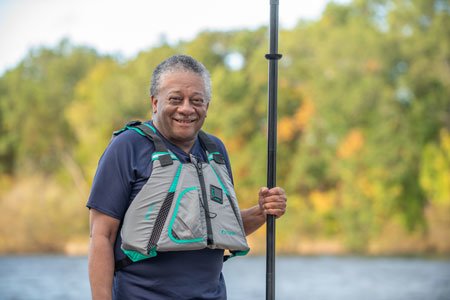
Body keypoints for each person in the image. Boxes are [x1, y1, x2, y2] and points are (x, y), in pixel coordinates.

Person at [87, 54, 287, 300]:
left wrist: (262, 210)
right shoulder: (127, 146)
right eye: (175, 99)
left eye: (196, 100)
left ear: (207, 107)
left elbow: (216, 228)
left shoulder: (216, 150)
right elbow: (101, 236)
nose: (186, 108)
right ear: (155, 102)